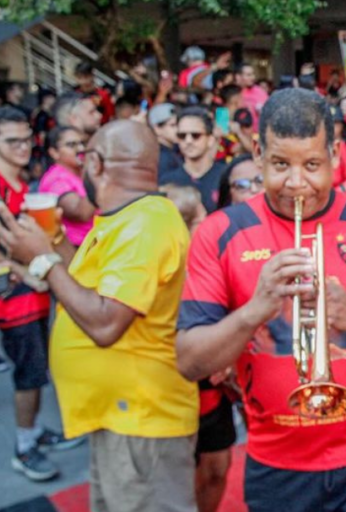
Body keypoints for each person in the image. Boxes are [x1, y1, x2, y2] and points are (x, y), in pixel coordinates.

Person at [175, 88, 346, 512]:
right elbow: (189, 362)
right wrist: (254, 311)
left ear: (335, 154)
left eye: (313, 165)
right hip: (276, 464)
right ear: (258, 153)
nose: (297, 184)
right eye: (280, 164)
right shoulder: (220, 231)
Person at [0, 119, 198, 510]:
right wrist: (52, 242)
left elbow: (107, 323)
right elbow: (85, 288)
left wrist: (42, 260)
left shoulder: (144, 223)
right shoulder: (123, 218)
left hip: (142, 421)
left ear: (97, 163)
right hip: (119, 417)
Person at [0, 106, 83, 483]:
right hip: (14, 298)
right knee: (29, 373)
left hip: (37, 293)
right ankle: (24, 446)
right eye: (11, 141)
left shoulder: (24, 187)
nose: (22, 147)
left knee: (37, 368)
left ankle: (33, 431)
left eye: (25, 139)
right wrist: (26, 273)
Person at [159, 107, 227, 213]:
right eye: (182, 136)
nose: (188, 141)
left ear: (210, 140)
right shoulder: (167, 181)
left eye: (196, 135)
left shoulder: (226, 176)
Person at [38, 127, 94, 248]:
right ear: (54, 152)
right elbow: (81, 213)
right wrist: (95, 174)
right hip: (75, 250)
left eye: (82, 143)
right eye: (71, 145)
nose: (81, 149)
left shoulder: (79, 173)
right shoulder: (56, 179)